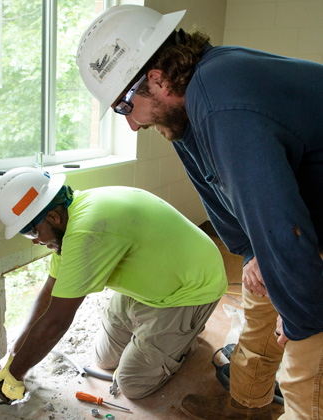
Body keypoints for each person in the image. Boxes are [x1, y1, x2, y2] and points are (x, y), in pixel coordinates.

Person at [76, 4, 323, 420]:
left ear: (155, 79)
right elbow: (215, 190)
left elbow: (283, 226)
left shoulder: (221, 99)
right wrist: (248, 252)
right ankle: (248, 404)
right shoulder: (184, 115)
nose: (131, 125)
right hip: (293, 219)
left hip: (301, 227)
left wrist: (303, 317)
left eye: (123, 107)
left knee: (306, 373)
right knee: (261, 303)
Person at [0, 167, 227, 402]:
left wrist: (15, 375)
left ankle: (186, 336)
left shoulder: (87, 230)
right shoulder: (70, 222)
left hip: (190, 288)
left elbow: (56, 321)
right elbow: (48, 295)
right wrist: (15, 355)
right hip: (153, 281)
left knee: (132, 384)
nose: (35, 241)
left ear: (53, 217)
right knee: (103, 359)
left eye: (32, 231)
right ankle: (170, 338)